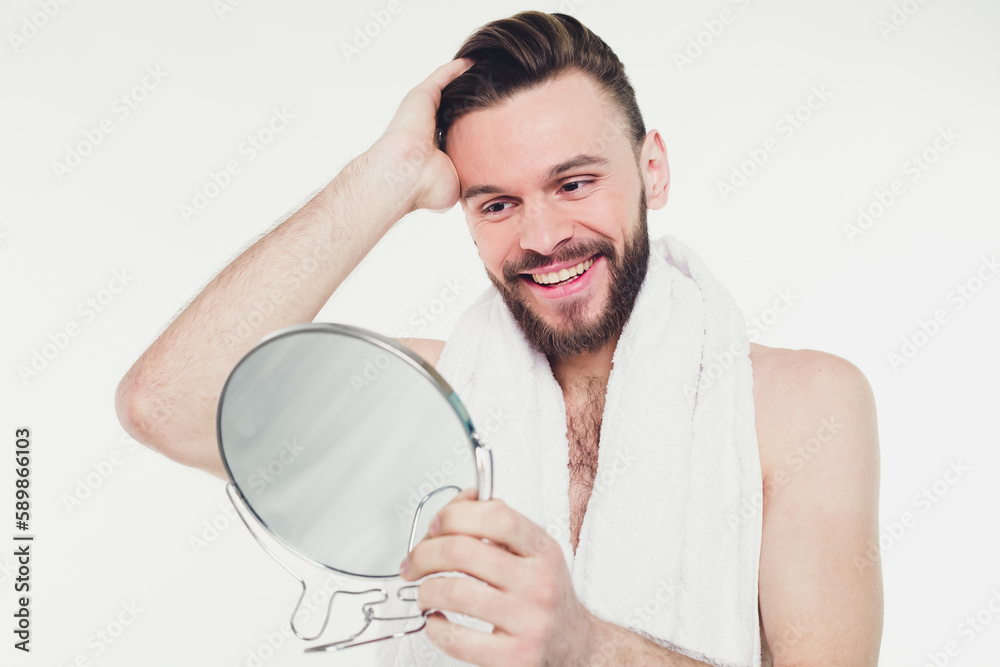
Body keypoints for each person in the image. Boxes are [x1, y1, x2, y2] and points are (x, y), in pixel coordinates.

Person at [115, 11, 883, 666]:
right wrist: (393, 172)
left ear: (654, 169)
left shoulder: (803, 405)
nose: (543, 236)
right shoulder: (418, 405)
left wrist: (585, 645)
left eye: (574, 182)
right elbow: (168, 404)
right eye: (497, 204)